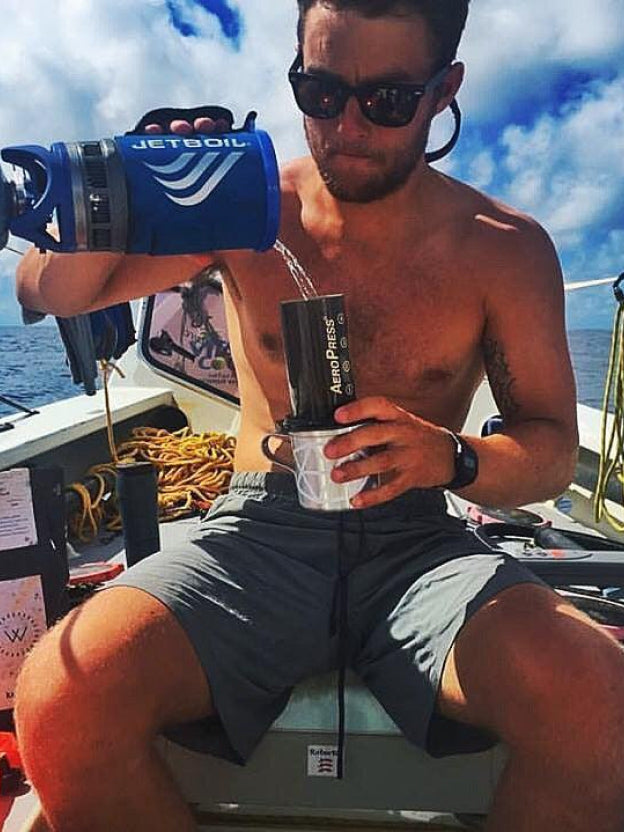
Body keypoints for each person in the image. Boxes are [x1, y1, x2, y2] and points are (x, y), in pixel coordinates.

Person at [13, 1, 624, 830]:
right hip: (260, 531)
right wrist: (118, 188)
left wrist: (452, 457)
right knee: (59, 697)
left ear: (446, 89)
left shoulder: (504, 249)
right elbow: (43, 289)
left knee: (603, 706)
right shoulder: (236, 209)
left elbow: (550, 449)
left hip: (420, 540)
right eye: (320, 90)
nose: (343, 127)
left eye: (386, 101)